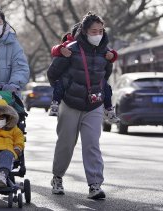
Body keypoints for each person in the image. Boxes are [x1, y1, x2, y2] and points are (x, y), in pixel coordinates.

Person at [47, 12, 111, 199]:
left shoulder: (106, 52)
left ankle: (95, 185)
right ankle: (57, 177)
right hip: (70, 104)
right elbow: (53, 74)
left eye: (100, 30)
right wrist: (65, 89)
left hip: (94, 105)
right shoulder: (70, 50)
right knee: (66, 144)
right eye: (93, 31)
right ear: (84, 31)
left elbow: (105, 77)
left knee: (92, 145)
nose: (97, 34)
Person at [48, 23, 120, 125]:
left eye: (99, 32)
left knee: (106, 87)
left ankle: (109, 109)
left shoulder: (100, 48)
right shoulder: (70, 46)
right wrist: (60, 49)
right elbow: (54, 51)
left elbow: (111, 58)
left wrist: (112, 55)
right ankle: (55, 103)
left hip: (93, 96)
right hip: (70, 93)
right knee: (60, 84)